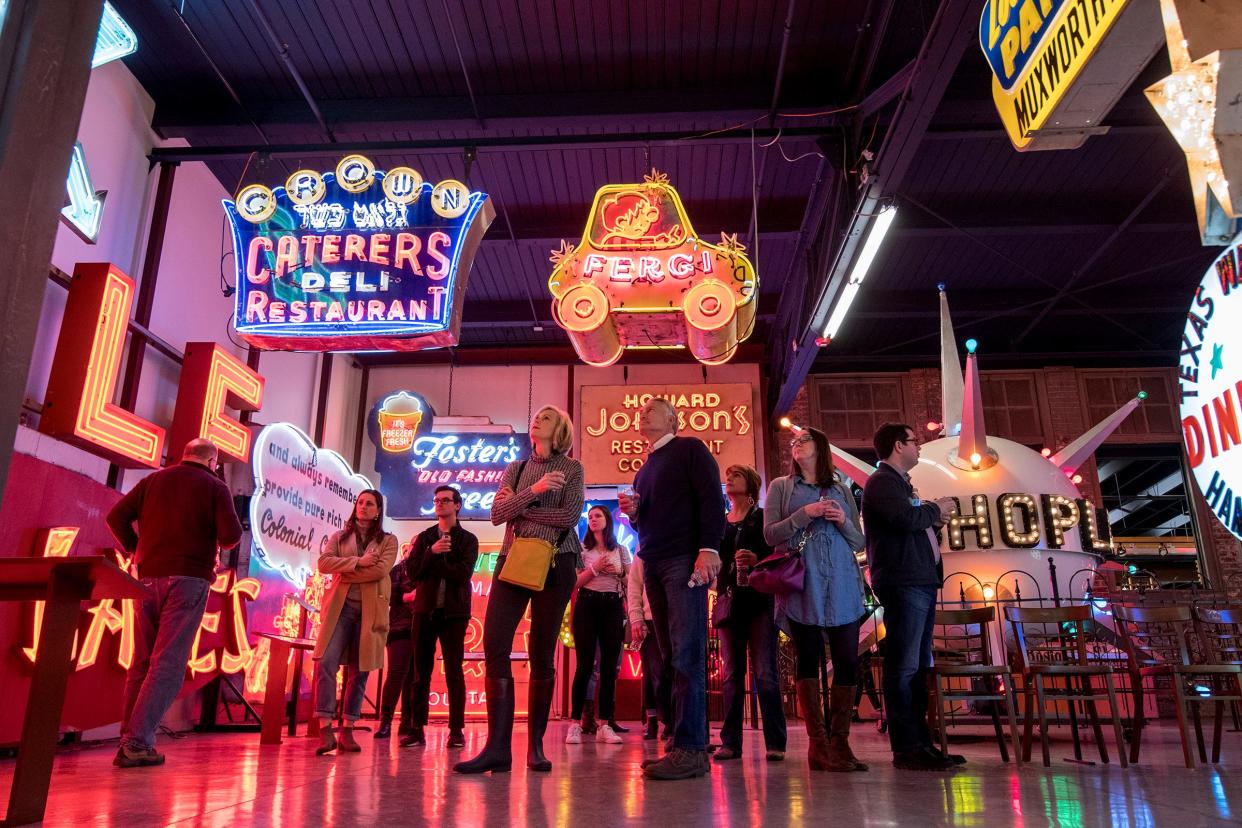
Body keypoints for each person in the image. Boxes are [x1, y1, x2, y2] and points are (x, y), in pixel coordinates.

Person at [455, 405, 584, 774]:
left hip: (558, 561)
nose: (537, 421)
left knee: (542, 651)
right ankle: (498, 748)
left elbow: (569, 517)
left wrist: (520, 507)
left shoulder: (572, 469)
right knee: (494, 643)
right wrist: (537, 490)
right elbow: (496, 514)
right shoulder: (518, 468)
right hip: (513, 559)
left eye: (545, 418)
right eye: (536, 417)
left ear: (559, 429)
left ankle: (536, 747)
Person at [106, 438, 242, 768]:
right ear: (212, 461)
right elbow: (231, 536)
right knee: (167, 663)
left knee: (142, 661)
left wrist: (136, 548)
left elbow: (115, 518)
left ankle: (130, 738)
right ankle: (136, 742)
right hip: (189, 579)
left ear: (185, 455)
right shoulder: (215, 486)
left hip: (147, 578)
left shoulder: (153, 480)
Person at [619, 397, 724, 781]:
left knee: (687, 656)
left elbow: (713, 500)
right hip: (654, 562)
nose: (643, 412)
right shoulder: (644, 470)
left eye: (653, 408)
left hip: (683, 559)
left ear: (674, 419)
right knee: (670, 657)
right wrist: (633, 516)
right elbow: (647, 523)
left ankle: (693, 748)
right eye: (641, 409)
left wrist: (709, 548)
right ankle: (682, 742)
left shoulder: (690, 450)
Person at [765, 429, 867, 772]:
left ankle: (841, 743)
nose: (796, 445)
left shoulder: (840, 489)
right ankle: (818, 746)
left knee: (847, 661)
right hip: (803, 585)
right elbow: (770, 536)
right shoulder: (782, 486)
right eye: (794, 442)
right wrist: (804, 514)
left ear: (820, 448)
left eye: (804, 440)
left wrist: (841, 521)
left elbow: (859, 542)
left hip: (842, 583)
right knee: (807, 660)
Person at [863, 422, 957, 771]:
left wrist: (931, 524)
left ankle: (921, 742)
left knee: (917, 665)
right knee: (903, 665)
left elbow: (908, 523)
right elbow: (903, 518)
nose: (920, 447)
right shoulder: (882, 482)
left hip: (919, 578)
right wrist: (936, 508)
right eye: (915, 442)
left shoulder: (899, 484)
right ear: (898, 446)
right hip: (904, 581)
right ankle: (906, 746)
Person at [311, 489, 399, 755]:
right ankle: (325, 728)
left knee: (359, 671)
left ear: (378, 510)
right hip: (340, 610)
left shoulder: (388, 541)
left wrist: (346, 571)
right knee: (325, 661)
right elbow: (324, 564)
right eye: (360, 502)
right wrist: (358, 561)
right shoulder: (340, 536)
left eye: (369, 503)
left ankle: (348, 728)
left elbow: (381, 570)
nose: (363, 507)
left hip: (370, 612)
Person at [715, 464, 786, 763]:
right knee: (731, 675)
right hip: (730, 601)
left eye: (736, 476)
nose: (729, 480)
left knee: (765, 672)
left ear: (751, 484)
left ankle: (775, 742)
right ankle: (730, 741)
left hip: (759, 600)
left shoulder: (761, 518)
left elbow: (778, 551)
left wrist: (758, 558)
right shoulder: (721, 521)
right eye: (728, 476)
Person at [403, 485, 480, 748]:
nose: (440, 504)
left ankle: (456, 729)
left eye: (446, 500)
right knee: (419, 671)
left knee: (454, 671)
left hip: (455, 612)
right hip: (424, 610)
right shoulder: (425, 538)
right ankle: (416, 728)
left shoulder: (468, 539)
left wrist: (435, 563)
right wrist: (431, 552)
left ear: (457, 505)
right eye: (437, 500)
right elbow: (412, 572)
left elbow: (463, 574)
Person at [566, 505, 631, 745]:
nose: (593, 519)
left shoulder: (620, 550)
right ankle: (574, 724)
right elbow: (575, 582)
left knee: (608, 668)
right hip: (587, 605)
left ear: (607, 521)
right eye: (591, 516)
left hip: (613, 605)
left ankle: (605, 723)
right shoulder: (582, 550)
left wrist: (619, 573)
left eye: (598, 516)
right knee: (584, 665)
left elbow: (630, 580)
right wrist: (596, 568)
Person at [375, 540, 417, 739]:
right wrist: (408, 597)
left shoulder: (427, 569)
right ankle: (386, 721)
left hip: (421, 628)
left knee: (414, 678)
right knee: (397, 674)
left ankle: (407, 722)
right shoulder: (398, 570)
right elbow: (387, 596)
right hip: (400, 627)